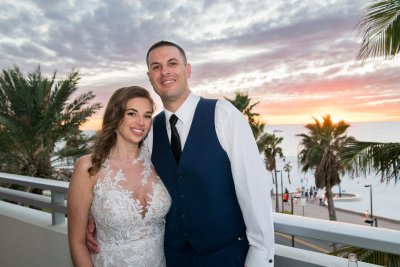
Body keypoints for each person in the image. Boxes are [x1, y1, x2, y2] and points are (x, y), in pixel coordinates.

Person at [87, 41, 275, 266]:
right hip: (174, 258)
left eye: (172, 63)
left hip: (226, 256)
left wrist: (260, 259)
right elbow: (129, 178)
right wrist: (97, 214)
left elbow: (254, 191)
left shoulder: (223, 115)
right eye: (156, 67)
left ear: (187, 70)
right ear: (150, 77)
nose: (164, 71)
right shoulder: (149, 130)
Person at [68, 86, 171, 267]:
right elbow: (77, 243)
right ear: (115, 117)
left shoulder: (159, 161)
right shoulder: (89, 167)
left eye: (147, 115)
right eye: (132, 113)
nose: (141, 122)